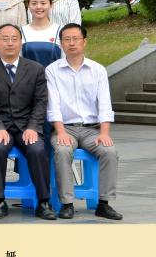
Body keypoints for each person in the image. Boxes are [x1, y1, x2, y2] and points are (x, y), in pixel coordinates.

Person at [46, 23, 122, 220]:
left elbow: (104, 104)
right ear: (61, 43)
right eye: (67, 39)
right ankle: (67, 203)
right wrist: (60, 132)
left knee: (109, 151)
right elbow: (53, 105)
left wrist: (104, 133)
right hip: (65, 128)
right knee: (62, 150)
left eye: (76, 39)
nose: (71, 43)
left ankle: (104, 203)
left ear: (84, 42)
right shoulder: (52, 70)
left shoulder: (97, 70)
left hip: (92, 130)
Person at [0, 24, 55, 220]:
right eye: (5, 39)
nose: (10, 43)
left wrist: (33, 127)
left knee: (37, 149)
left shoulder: (36, 69)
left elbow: (41, 102)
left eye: (14, 38)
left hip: (27, 126)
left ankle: (44, 201)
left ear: (21, 42)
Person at [20, 0, 62, 68]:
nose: (38, 7)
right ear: (28, 5)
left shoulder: (60, 31)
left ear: (51, 5)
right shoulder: (21, 32)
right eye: (34, 3)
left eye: (43, 3)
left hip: (54, 76)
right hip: (28, 75)